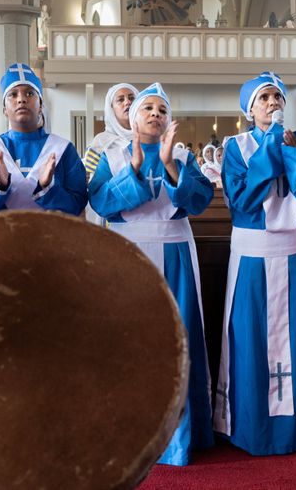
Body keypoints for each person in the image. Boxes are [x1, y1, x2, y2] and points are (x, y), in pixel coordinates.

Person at [88, 83, 215, 466]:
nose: (155, 114)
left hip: (174, 252)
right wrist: (137, 169)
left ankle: (178, 438)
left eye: (162, 109)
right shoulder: (110, 156)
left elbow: (200, 200)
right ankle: (131, 432)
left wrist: (171, 166)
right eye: (148, 108)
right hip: (129, 254)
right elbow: (102, 202)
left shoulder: (181, 154)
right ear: (131, 116)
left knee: (178, 336)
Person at [213, 72, 296, 455]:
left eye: (277, 96)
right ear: (250, 108)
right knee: (250, 338)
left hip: (293, 253)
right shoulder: (237, 147)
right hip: (252, 256)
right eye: (263, 98)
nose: (272, 103)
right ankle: (251, 428)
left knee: (292, 338)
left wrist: (293, 155)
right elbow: (242, 200)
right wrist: (271, 150)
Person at [0, 63, 87, 219]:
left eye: (30, 93)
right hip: (1, 239)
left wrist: (47, 188)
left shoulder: (63, 150)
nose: (21, 99)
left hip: (52, 239)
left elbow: (77, 206)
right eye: (13, 94)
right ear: (4, 109)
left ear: (40, 106)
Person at [82, 84, 137, 224]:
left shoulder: (150, 138)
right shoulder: (101, 143)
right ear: (111, 109)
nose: (128, 102)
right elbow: (90, 183)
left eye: (132, 98)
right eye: (120, 99)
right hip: (113, 213)